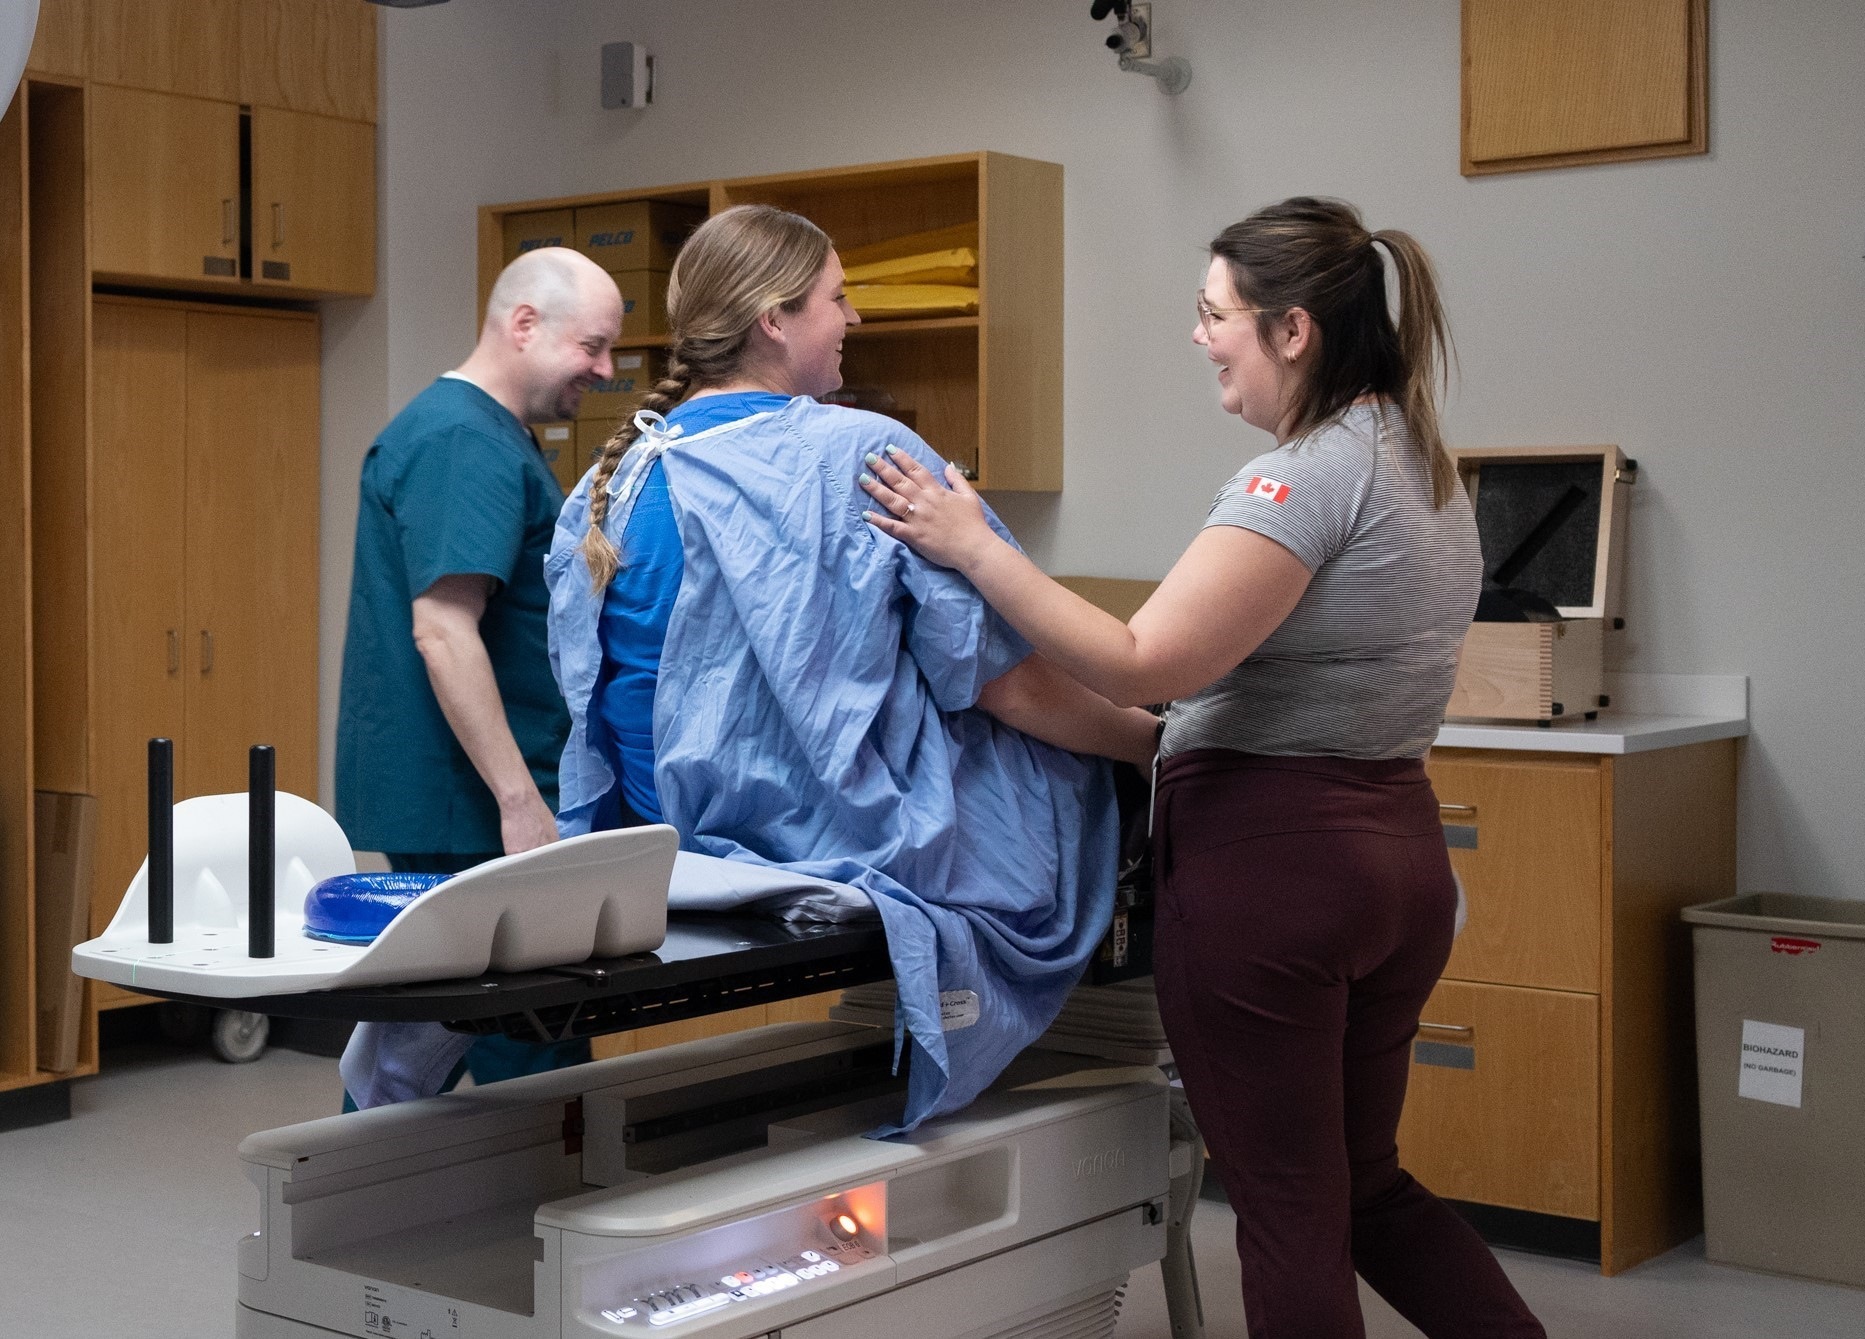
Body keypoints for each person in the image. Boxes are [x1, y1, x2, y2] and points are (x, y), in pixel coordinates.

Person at [858, 198, 1545, 1337]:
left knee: (1284, 1208)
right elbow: (1192, 700)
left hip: (1275, 878)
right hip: (1391, 860)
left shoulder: (1302, 479)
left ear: (1290, 331)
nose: (1197, 335)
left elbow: (1144, 661)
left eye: (1211, 312)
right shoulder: (1418, 459)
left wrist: (970, 543)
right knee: (1362, 1185)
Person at [547, 204, 1160, 1132]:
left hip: (672, 832)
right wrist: (1152, 742)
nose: (854, 320)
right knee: (1074, 772)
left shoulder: (613, 479)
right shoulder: (862, 454)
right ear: (772, 319)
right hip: (831, 834)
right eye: (839, 298)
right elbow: (1007, 679)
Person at [334, 247, 621, 1098]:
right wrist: (519, 800)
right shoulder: (463, 439)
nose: (605, 372)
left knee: (425, 1040)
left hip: (462, 796)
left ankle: (353, 1209)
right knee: (527, 1038)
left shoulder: (476, 433)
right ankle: (556, 1218)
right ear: (524, 324)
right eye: (594, 347)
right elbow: (444, 630)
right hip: (473, 805)